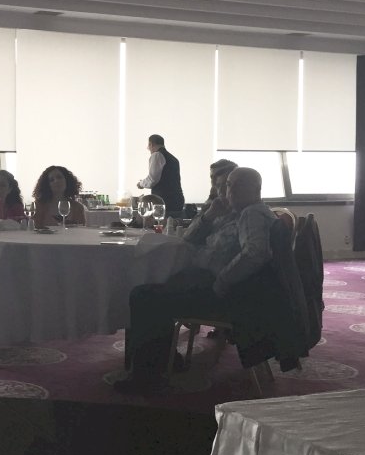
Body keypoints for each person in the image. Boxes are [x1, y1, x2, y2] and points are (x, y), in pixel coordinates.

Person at [116, 167, 276, 393]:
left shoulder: (252, 214)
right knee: (156, 290)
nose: (228, 191)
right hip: (218, 285)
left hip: (227, 295)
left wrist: (222, 281)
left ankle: (147, 376)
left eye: (235, 186)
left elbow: (256, 253)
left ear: (255, 189)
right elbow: (188, 239)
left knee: (143, 296)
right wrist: (209, 215)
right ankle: (164, 358)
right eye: (227, 185)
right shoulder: (237, 212)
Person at [136, 134, 184, 216]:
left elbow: (152, 180)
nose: (148, 149)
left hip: (164, 202)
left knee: (160, 223)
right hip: (177, 201)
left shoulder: (157, 155)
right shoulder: (174, 159)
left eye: (148, 146)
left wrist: (140, 184)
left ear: (151, 144)